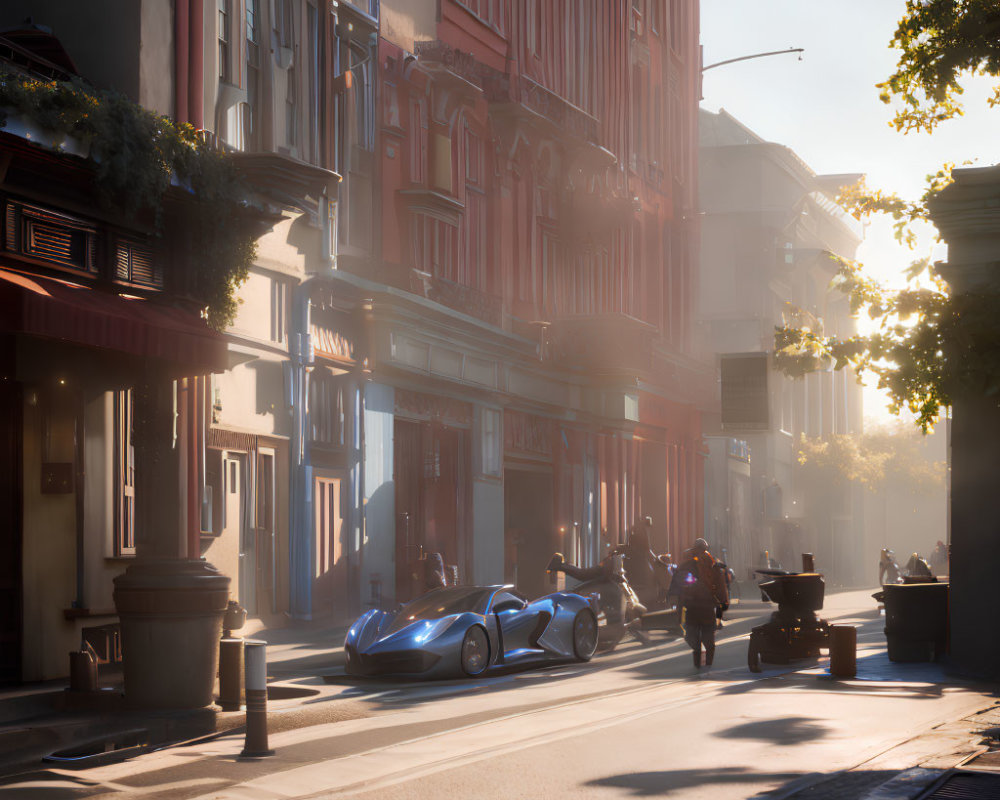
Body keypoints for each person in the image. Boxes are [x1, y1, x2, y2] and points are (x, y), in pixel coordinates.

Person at [669, 538, 728, 668]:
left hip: (696, 606)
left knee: (695, 637)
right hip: (701, 606)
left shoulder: (708, 565)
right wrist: (723, 601)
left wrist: (677, 600)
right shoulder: (709, 564)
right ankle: (706, 664)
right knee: (701, 637)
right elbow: (720, 586)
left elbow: (677, 585)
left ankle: (703, 664)